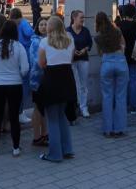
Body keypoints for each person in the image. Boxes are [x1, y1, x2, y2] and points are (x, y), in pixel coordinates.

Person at [0, 20, 29, 156]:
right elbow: (25, 68)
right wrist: (19, 75)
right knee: (14, 117)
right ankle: (16, 148)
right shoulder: (19, 47)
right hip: (15, 85)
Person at [37, 16, 76, 162]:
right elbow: (70, 60)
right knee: (62, 116)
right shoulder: (70, 40)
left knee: (52, 118)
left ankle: (55, 154)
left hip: (51, 81)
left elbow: (41, 63)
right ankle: (68, 149)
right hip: (67, 80)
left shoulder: (44, 42)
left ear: (50, 27)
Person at [94, 12, 128, 137]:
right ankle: (120, 129)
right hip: (120, 61)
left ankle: (108, 129)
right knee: (120, 96)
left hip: (107, 63)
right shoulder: (117, 31)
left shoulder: (98, 37)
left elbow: (99, 53)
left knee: (107, 97)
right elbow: (124, 45)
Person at [9, 7, 33, 124]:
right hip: (23, 57)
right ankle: (20, 112)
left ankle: (19, 112)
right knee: (23, 87)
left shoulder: (19, 24)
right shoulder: (23, 24)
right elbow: (30, 34)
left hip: (20, 56)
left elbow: (29, 34)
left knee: (21, 87)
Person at [66, 10, 92, 118]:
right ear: (74, 18)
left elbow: (90, 43)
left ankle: (83, 107)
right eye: (81, 18)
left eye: (83, 18)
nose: (83, 20)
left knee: (83, 84)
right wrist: (72, 50)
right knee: (73, 84)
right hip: (72, 60)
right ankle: (74, 105)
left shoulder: (85, 30)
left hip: (83, 59)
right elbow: (64, 44)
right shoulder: (67, 31)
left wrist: (85, 49)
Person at [117, 4, 136, 113]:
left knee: (123, 80)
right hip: (135, 54)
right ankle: (133, 105)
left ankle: (123, 103)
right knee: (134, 80)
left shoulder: (120, 25)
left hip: (122, 54)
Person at [29, 17, 48, 147]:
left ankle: (44, 133)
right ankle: (37, 135)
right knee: (38, 108)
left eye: (46, 24)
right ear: (37, 27)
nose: (43, 27)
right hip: (37, 80)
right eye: (41, 24)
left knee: (44, 108)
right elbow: (36, 62)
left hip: (46, 79)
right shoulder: (36, 42)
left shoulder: (48, 40)